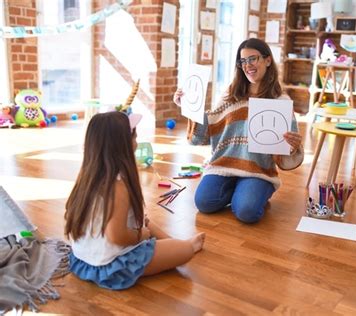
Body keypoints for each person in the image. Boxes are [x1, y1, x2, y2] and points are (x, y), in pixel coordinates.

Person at [64, 111, 205, 290]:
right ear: (121, 145)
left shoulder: (87, 175)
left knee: (144, 222)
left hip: (83, 258)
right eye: (134, 137)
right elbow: (116, 236)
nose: (137, 143)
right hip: (111, 265)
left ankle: (176, 242)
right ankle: (183, 245)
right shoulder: (118, 186)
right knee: (184, 252)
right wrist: (142, 235)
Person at [173, 38, 304, 224]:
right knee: (203, 203)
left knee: (246, 212)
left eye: (253, 59)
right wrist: (187, 105)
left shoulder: (280, 101)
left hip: (257, 170)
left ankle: (253, 191)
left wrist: (293, 146)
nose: (247, 65)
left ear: (267, 60)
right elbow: (211, 125)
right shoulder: (231, 94)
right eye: (243, 61)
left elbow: (286, 151)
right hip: (224, 165)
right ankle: (241, 190)